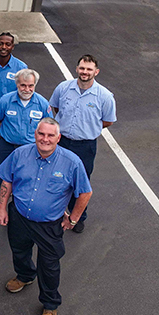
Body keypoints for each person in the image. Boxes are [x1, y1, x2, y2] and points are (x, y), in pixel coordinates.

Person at [0, 118, 92, 315]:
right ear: (35, 134)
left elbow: (85, 192)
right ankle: (25, 276)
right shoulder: (20, 154)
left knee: (49, 266)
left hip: (49, 225)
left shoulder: (72, 162)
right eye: (41, 134)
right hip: (19, 217)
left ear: (58, 138)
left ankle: (50, 304)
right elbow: (7, 180)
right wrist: (2, 208)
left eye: (50, 135)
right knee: (19, 251)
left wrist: (73, 218)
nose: (45, 139)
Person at [49, 55, 116, 233]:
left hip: (85, 146)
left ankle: (77, 217)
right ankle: (55, 213)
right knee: (56, 177)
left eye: (89, 69)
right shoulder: (63, 88)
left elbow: (108, 121)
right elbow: (56, 108)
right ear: (77, 69)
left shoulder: (105, 96)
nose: (85, 72)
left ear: (96, 72)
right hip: (61, 142)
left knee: (80, 182)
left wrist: (88, 128)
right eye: (82, 68)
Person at [0, 69, 52, 231]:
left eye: (30, 86)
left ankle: (21, 215)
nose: (27, 89)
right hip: (7, 148)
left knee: (28, 182)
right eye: (23, 85)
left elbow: (48, 127)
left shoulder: (42, 104)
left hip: (30, 150)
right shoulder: (6, 100)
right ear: (17, 84)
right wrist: (4, 137)